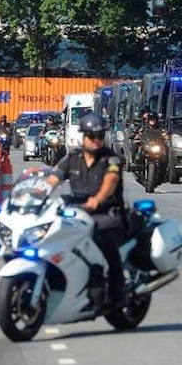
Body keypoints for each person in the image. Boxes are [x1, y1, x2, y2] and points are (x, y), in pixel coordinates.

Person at [47, 113, 126, 306]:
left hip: (107, 212)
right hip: (78, 213)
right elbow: (54, 177)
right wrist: (39, 193)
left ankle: (118, 288)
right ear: (83, 136)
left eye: (100, 136)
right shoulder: (73, 158)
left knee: (102, 235)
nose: (96, 140)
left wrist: (97, 199)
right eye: (92, 136)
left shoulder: (112, 159)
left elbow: (111, 181)